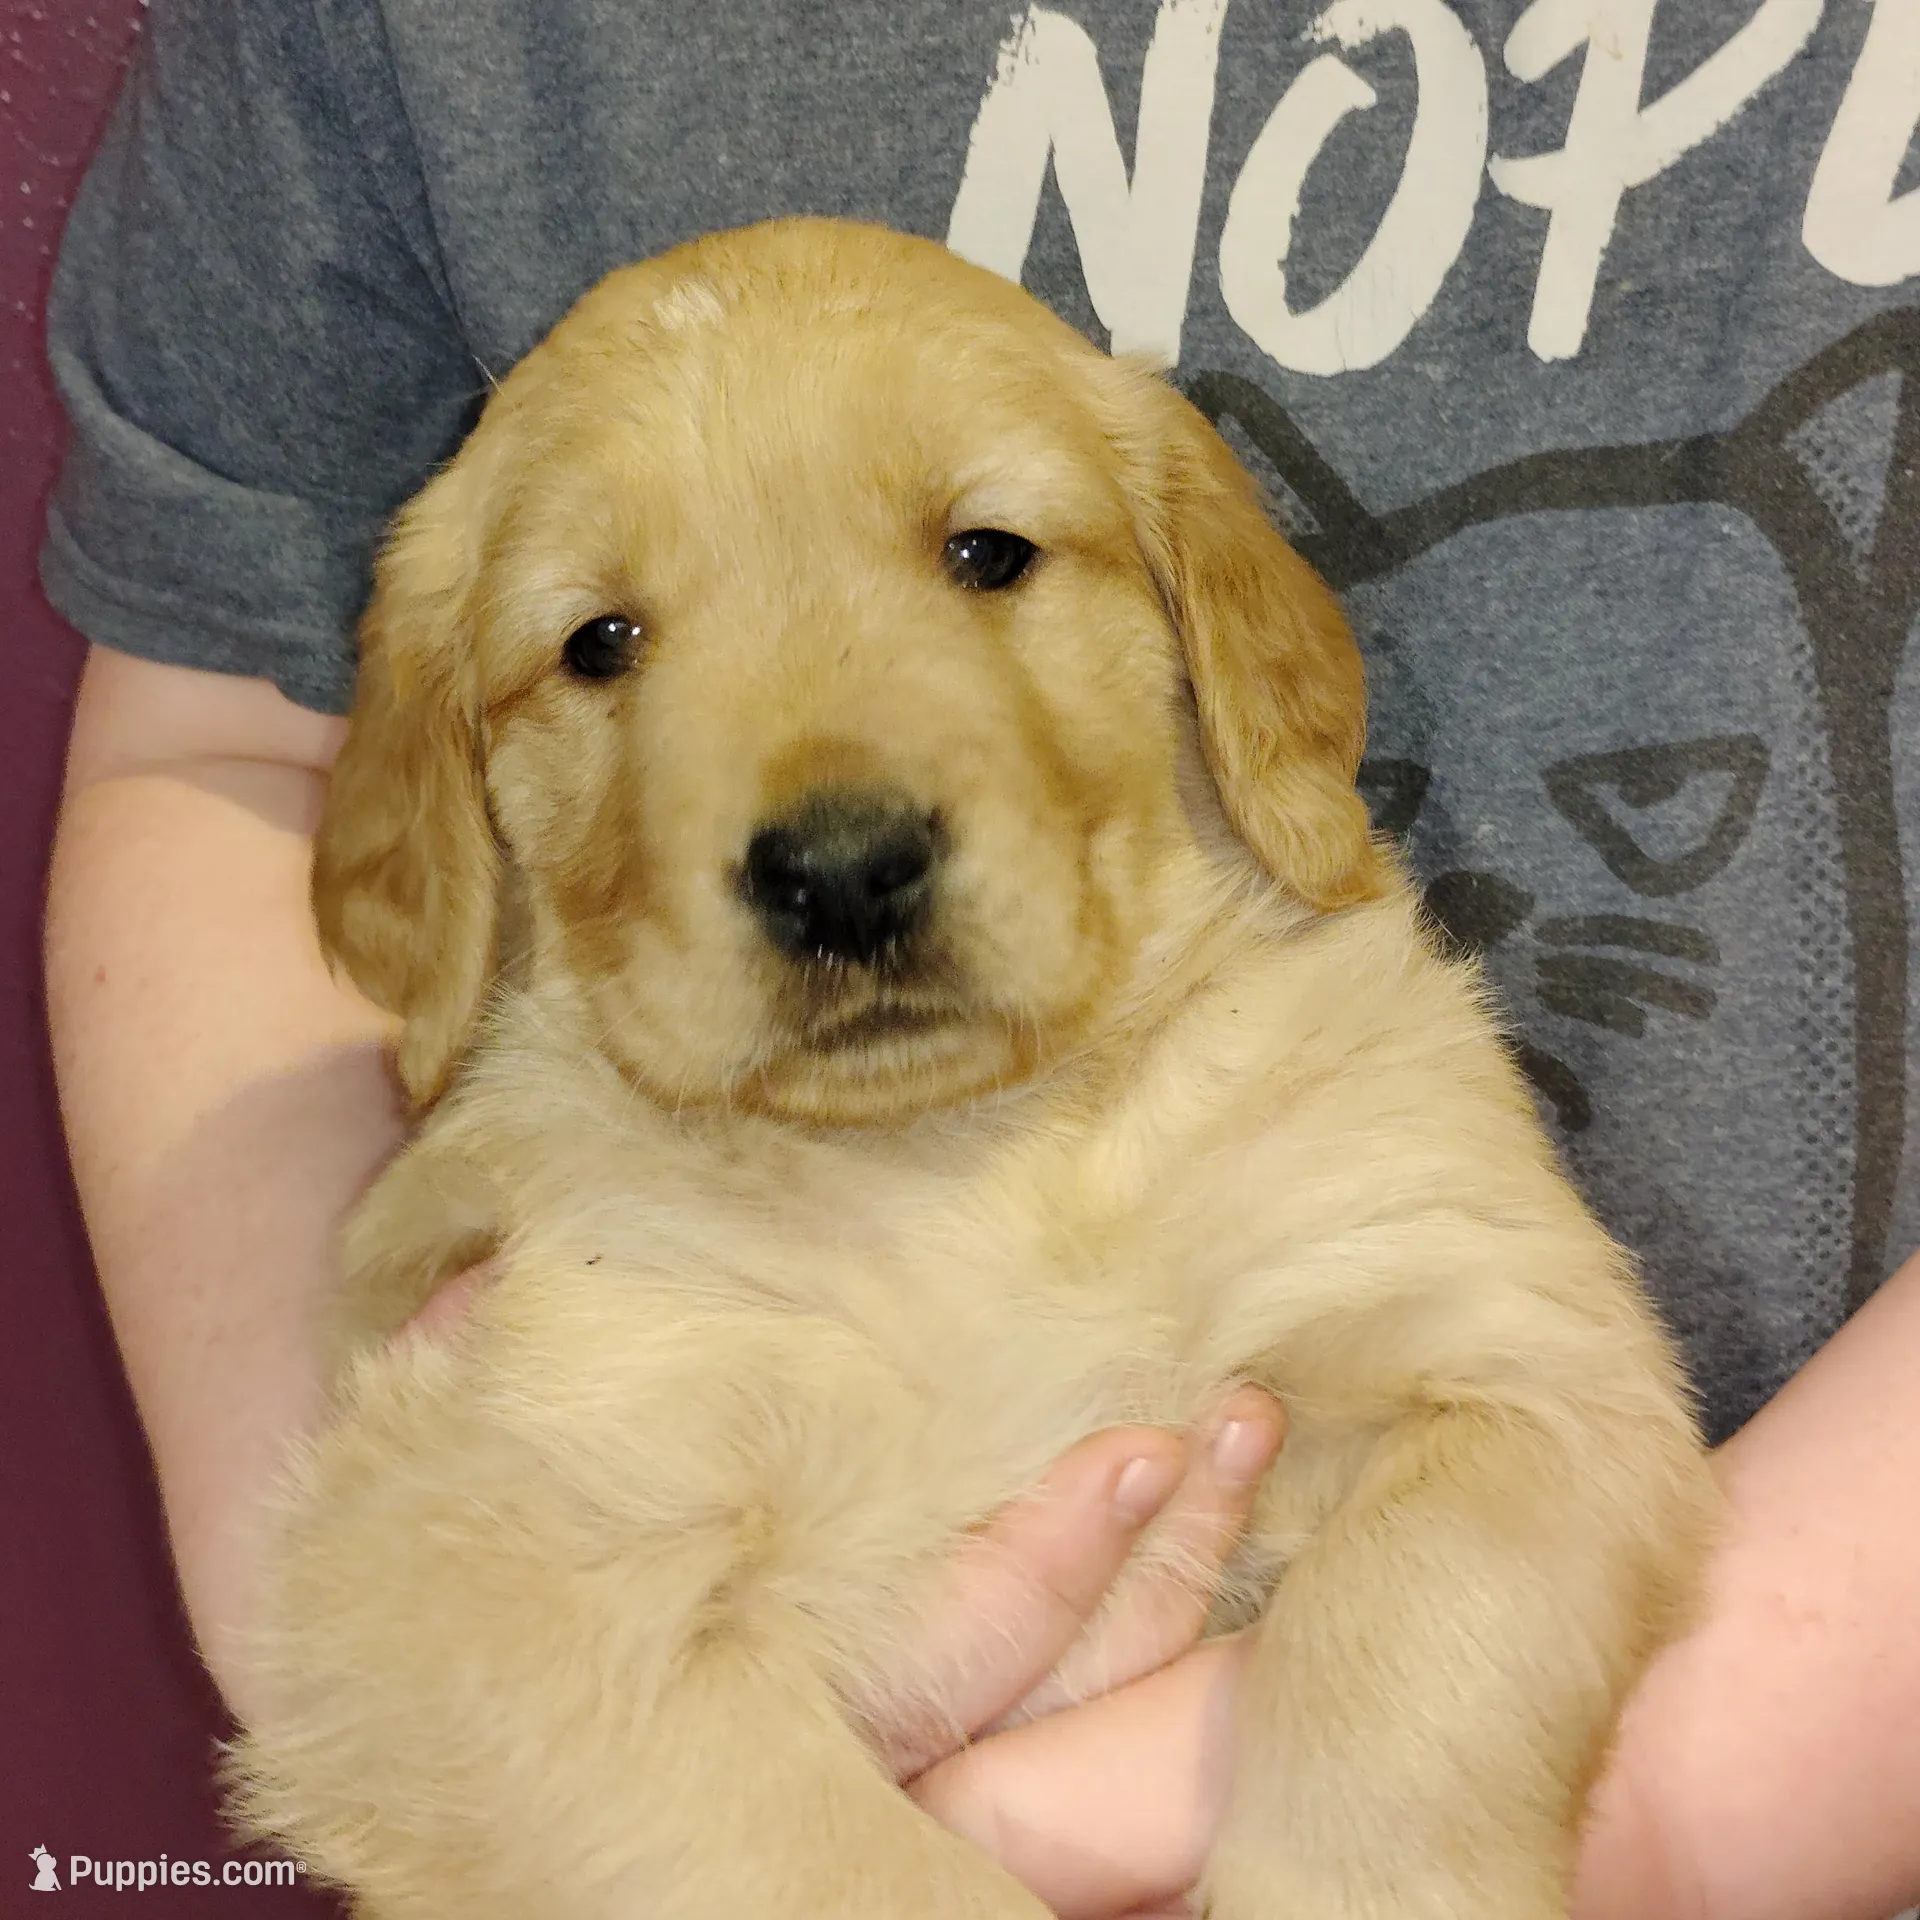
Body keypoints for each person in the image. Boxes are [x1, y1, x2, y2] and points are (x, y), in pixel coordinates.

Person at [39, 1, 1920, 1915]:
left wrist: (1398, 1838)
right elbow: (417, 1654)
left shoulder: (1331, 1052)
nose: (835, 836)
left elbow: (1558, 1441)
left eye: (992, 552)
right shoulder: (566, 1208)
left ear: (1215, 622)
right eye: (599, 647)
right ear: (451, 782)